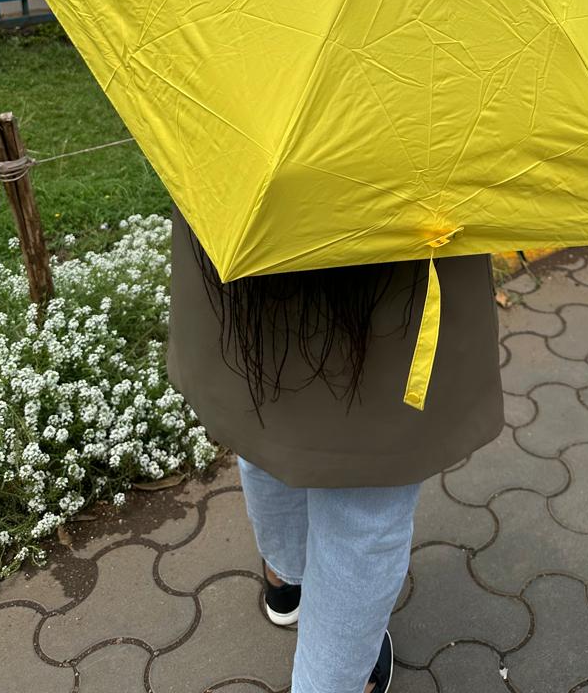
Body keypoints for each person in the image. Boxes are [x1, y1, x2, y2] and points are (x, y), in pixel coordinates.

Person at [167, 207, 504, 693]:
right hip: (400, 228)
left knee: (262, 405)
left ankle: (286, 578)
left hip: (247, 208)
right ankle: (337, 681)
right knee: (369, 487)